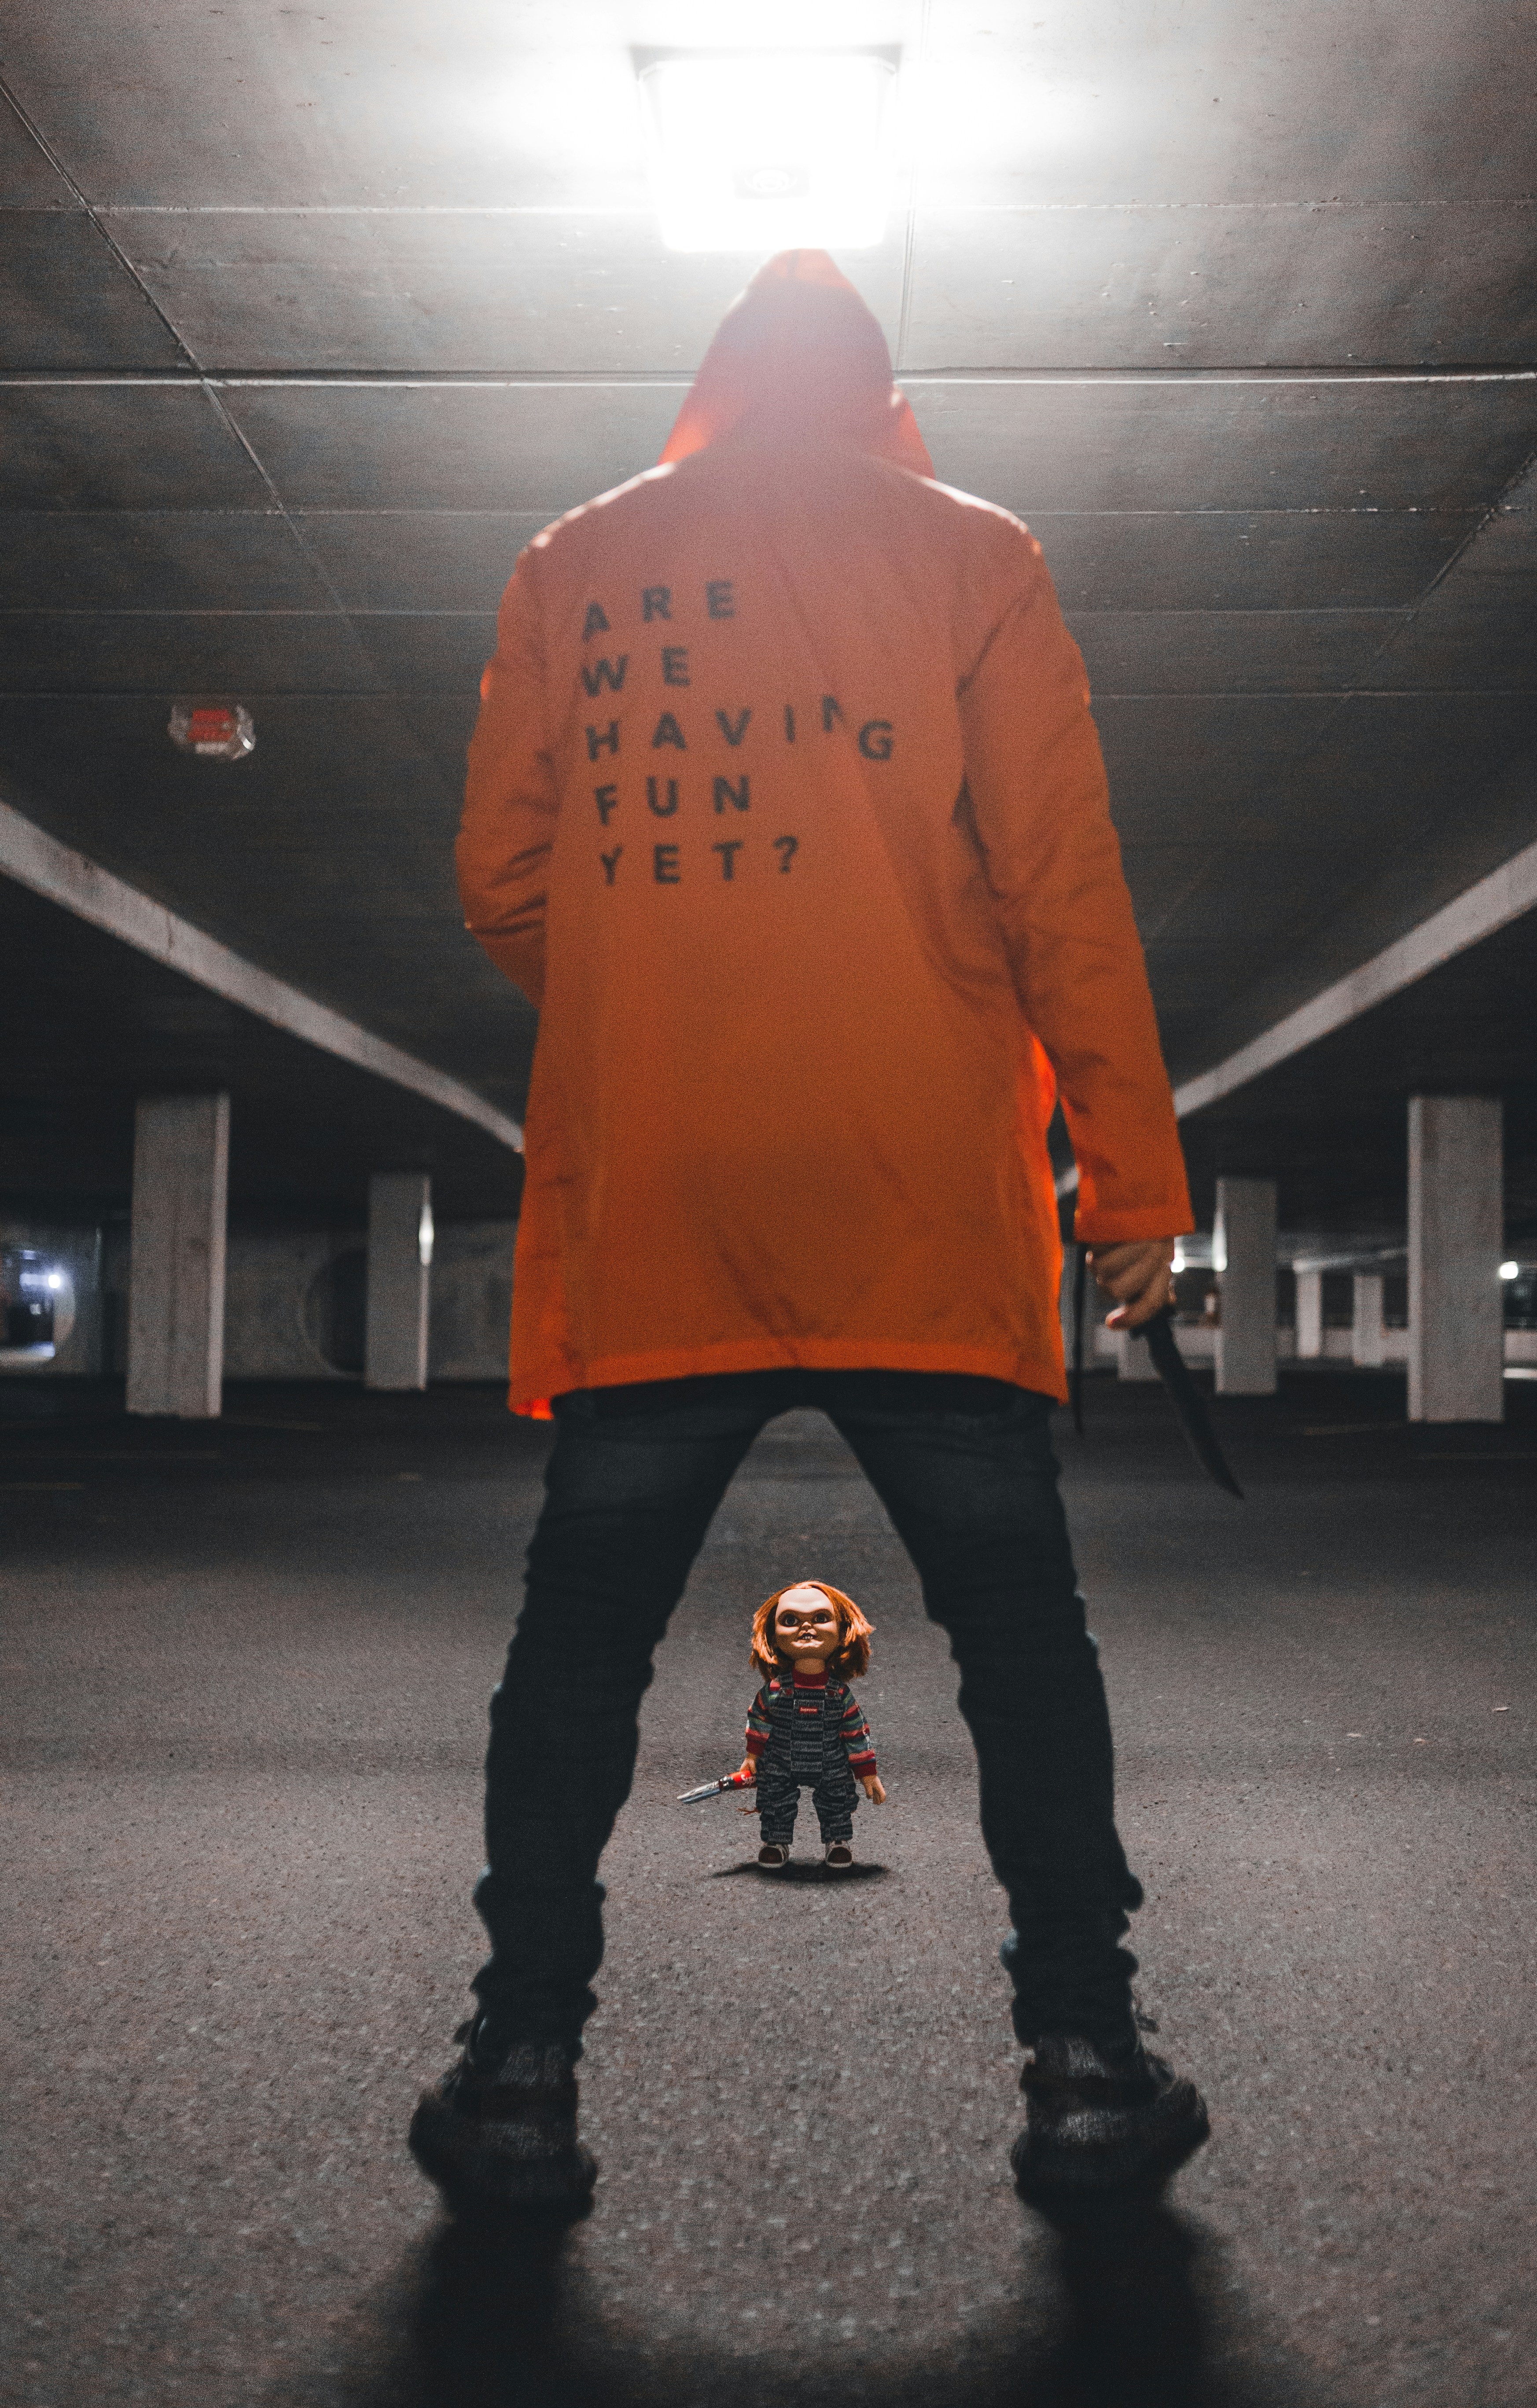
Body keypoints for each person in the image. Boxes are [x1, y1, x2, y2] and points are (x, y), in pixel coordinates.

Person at [408, 250, 1206, 2218]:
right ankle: (1083, 2059)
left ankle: (519, 2062)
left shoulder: (570, 563)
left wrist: (636, 979)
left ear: (712, 383)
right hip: (915, 1199)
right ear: (871, 392)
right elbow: (1061, 890)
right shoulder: (977, 558)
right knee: (1019, 1641)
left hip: (661, 1198)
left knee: (577, 1647)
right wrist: (1130, 1178)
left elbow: (499, 877)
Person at [740, 1579, 885, 1870]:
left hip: (831, 1762)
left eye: (821, 1618)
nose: (806, 1628)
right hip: (780, 1760)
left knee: (837, 1800)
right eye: (791, 1620)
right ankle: (775, 1841)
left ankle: (838, 1841)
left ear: (843, 1630)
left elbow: (856, 1733)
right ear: (773, 1633)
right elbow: (759, 1720)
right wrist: (752, 1757)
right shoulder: (774, 1691)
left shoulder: (839, 1694)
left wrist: (867, 1773)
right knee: (775, 1799)